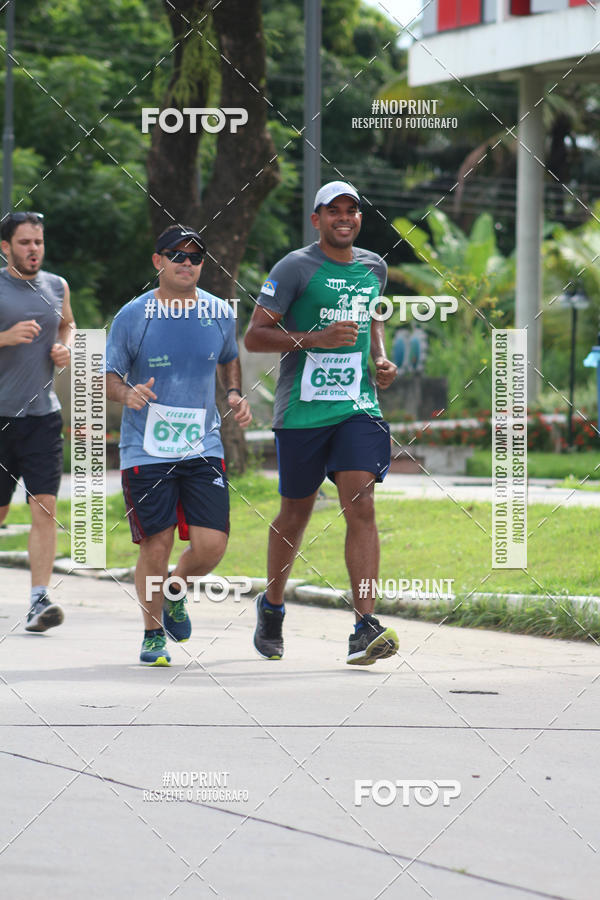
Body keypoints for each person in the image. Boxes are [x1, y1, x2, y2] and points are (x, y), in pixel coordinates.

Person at [244, 181, 399, 665]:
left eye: (352, 211)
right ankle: (272, 607)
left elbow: (373, 320)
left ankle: (363, 625)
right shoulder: (294, 267)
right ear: (317, 219)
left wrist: (381, 358)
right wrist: (317, 337)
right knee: (295, 514)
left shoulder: (375, 266)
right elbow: (255, 337)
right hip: (302, 412)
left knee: (362, 503)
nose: (345, 218)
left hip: (357, 407)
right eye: (335, 211)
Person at [106, 225, 251, 666]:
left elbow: (229, 357)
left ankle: (174, 589)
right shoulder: (134, 315)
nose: (187, 264)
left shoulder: (219, 313)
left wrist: (232, 393)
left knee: (212, 546)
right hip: (145, 448)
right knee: (157, 541)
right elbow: (108, 375)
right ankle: (152, 634)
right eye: (177, 255)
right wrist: (127, 393)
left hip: (201, 444)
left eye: (195, 257)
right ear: (158, 262)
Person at [0, 211, 75, 632]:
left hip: (42, 416)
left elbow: (67, 324)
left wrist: (64, 347)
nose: (34, 250)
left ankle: (38, 599)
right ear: (5, 246)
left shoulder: (56, 285)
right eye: (25, 242)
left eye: (39, 243)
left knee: (44, 506)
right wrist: (5, 338)